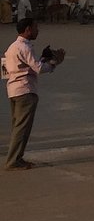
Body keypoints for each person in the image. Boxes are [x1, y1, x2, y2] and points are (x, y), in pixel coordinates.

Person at [5, 18, 65, 170]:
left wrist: (43, 58)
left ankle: (16, 158)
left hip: (13, 90)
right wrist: (53, 63)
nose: (37, 31)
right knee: (22, 128)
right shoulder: (25, 47)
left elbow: (22, 66)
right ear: (28, 30)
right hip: (25, 90)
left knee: (18, 127)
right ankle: (13, 161)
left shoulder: (12, 47)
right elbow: (38, 68)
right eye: (35, 28)